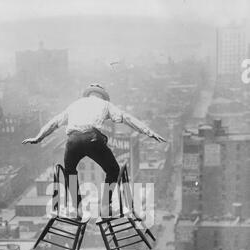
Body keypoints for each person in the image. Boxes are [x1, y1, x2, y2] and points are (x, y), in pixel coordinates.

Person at [22, 83, 166, 218]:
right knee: (113, 170)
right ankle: (104, 206)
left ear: (88, 94)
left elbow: (53, 123)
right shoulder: (105, 104)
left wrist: (38, 138)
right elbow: (127, 118)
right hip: (92, 138)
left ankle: (77, 208)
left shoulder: (74, 105)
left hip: (73, 141)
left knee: (70, 172)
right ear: (102, 96)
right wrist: (149, 132)